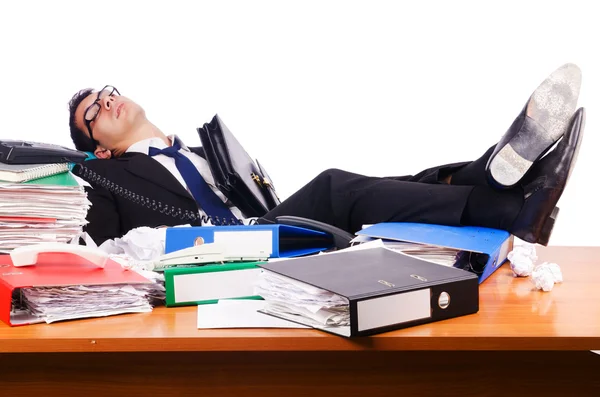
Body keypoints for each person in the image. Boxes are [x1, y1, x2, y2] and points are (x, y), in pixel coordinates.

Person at [68, 63, 585, 247]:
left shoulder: (208, 154)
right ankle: (511, 204)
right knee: (336, 186)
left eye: (106, 91)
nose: (105, 101)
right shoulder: (106, 177)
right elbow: (104, 251)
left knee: (380, 186)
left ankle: (490, 176)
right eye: (91, 112)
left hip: (258, 231)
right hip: (214, 255)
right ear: (99, 150)